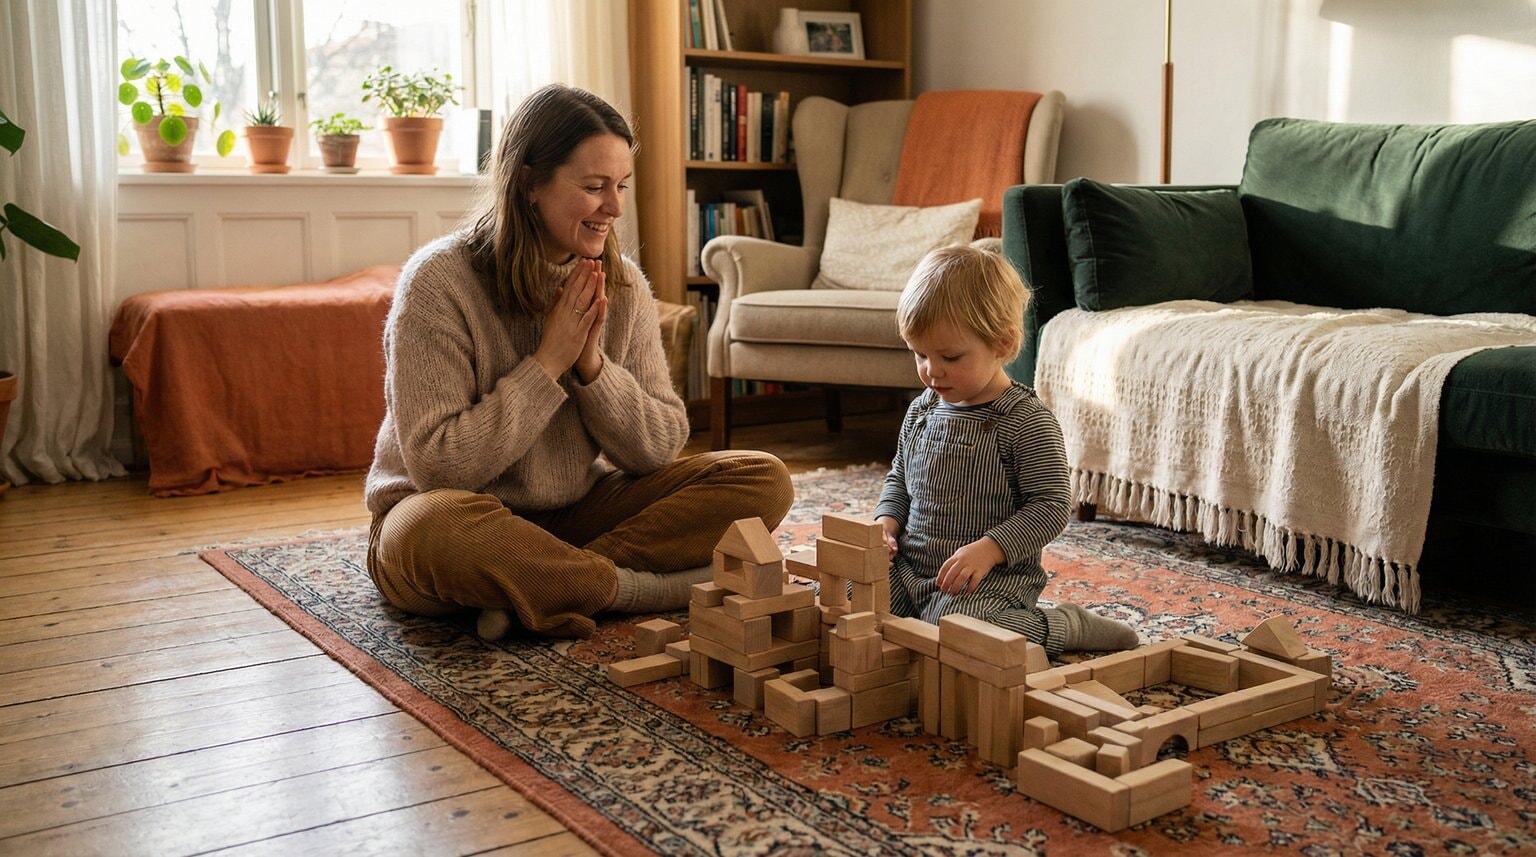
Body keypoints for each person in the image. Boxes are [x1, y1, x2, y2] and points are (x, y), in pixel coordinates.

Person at [365, 84, 793, 641]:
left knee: (763, 479)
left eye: (621, 185)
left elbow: (657, 449)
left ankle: (535, 586)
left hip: (574, 516)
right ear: (529, 183)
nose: (615, 207)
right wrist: (548, 363)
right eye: (594, 187)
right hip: (453, 515)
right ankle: (634, 589)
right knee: (428, 528)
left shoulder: (622, 285)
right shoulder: (438, 282)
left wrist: (592, 368)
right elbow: (439, 469)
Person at [874, 245, 1138, 656]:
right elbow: (899, 480)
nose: (931, 370)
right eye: (920, 354)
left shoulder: (1025, 420)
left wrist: (990, 549)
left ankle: (1062, 625)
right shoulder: (922, 410)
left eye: (950, 356)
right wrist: (885, 525)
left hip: (988, 581)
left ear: (1003, 343)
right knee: (846, 593)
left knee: (958, 631)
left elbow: (1051, 506)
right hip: (910, 569)